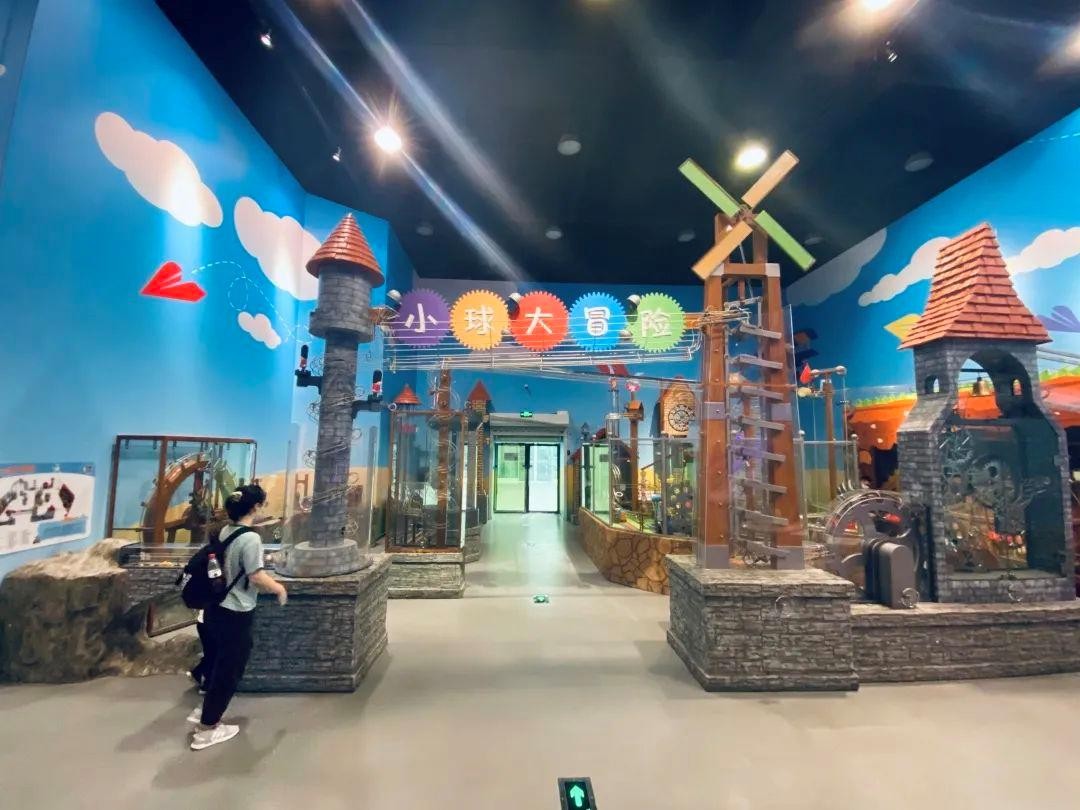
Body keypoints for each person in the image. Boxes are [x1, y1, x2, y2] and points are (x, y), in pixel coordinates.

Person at [187, 483, 287, 751]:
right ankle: (206, 729)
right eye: (262, 504)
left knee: (217, 662)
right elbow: (256, 576)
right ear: (255, 507)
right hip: (236, 610)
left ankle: (204, 710)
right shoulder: (250, 538)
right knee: (229, 669)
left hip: (214, 608)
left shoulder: (225, 531)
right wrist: (279, 588)